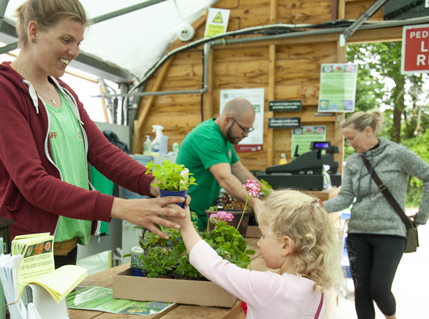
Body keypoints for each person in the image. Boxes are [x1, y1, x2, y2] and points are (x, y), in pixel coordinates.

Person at [0, 0, 185, 268]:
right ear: (34, 31)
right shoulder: (1, 89)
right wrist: (121, 208)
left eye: (79, 42)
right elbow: (33, 183)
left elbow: (102, 152)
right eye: (66, 39)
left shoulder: (64, 93)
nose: (74, 51)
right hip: (24, 248)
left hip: (65, 244)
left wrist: (152, 183)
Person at [168, 190, 343, 319]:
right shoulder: (318, 291)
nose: (259, 242)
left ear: (286, 245)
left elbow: (216, 267)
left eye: (263, 235)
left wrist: (185, 225)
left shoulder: (272, 288)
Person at [323, 110, 428, 319]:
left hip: (390, 233)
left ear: (368, 131)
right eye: (347, 139)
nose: (350, 143)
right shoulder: (353, 162)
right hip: (358, 233)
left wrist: (422, 215)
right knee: (361, 292)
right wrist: (316, 207)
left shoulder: (398, 153)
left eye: (352, 138)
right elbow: (345, 197)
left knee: (379, 290)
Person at [176, 98, 264, 231]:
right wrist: (254, 202)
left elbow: (238, 169)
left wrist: (267, 193)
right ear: (228, 120)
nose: (246, 135)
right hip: (186, 215)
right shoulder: (208, 137)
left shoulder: (224, 138)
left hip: (200, 215)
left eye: (248, 130)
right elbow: (225, 179)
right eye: (243, 129)